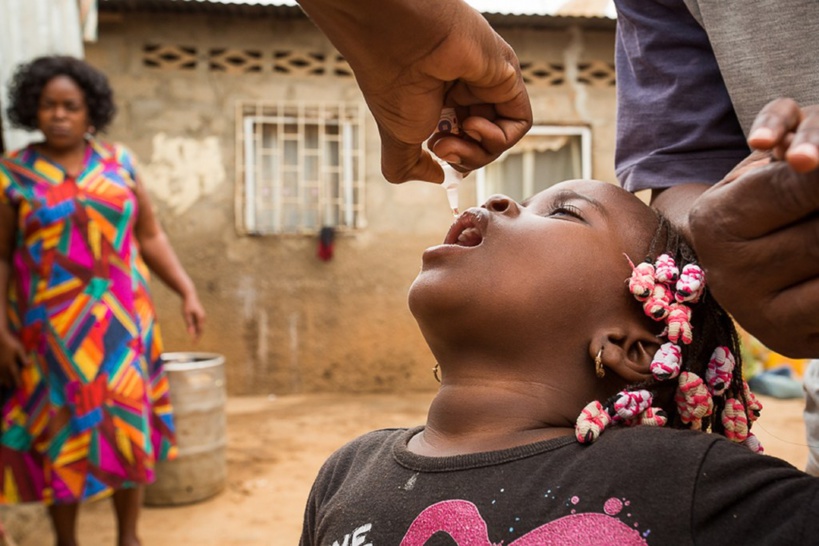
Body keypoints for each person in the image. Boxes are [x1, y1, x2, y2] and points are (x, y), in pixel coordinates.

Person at [300, 178, 819, 545]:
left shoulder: (684, 480)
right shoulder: (345, 473)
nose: (499, 200)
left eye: (563, 212)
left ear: (630, 346)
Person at [0, 56, 206, 546]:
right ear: (32, 109)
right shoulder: (14, 175)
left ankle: (128, 537)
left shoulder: (120, 164)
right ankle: (67, 541)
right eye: (48, 105)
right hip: (50, 331)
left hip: (120, 325)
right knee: (62, 433)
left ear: (91, 109)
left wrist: (186, 289)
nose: (59, 115)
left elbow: (150, 236)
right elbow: (1, 258)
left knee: (124, 429)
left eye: (71, 106)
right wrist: (1, 331)